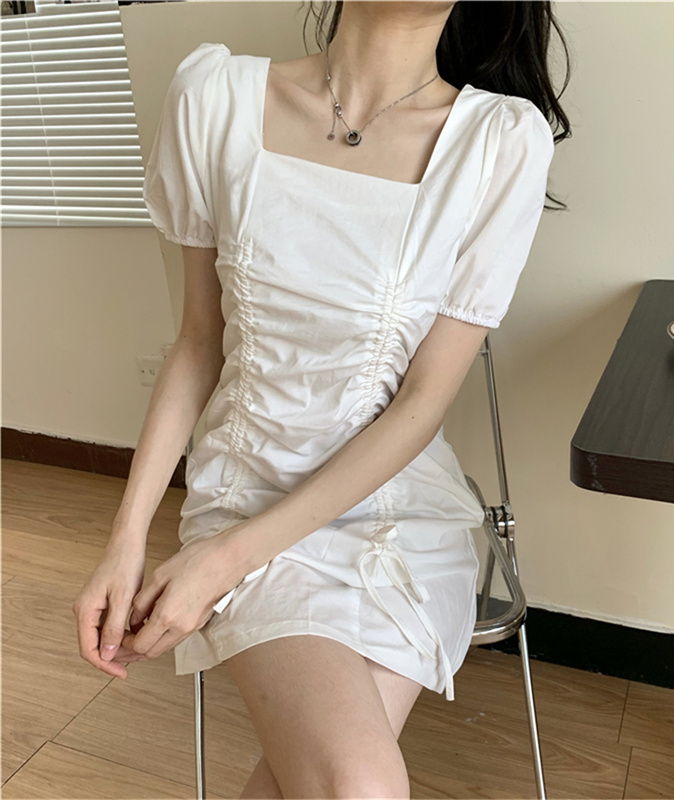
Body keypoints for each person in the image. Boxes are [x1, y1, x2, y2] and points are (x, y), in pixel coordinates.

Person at [73, 1, 570, 797]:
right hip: (245, 494)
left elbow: (421, 405)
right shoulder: (215, 98)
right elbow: (198, 345)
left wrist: (221, 565)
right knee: (353, 783)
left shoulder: (499, 142)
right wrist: (125, 540)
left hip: (397, 514)